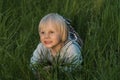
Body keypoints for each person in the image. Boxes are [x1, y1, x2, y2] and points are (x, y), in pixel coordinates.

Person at [30, 13, 83, 79]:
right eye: (43, 32)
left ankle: (67, 26)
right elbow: (33, 62)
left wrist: (56, 70)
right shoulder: (42, 47)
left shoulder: (72, 48)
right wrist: (38, 73)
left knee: (71, 34)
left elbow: (76, 67)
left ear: (62, 34)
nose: (46, 36)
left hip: (73, 39)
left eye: (51, 32)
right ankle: (63, 22)